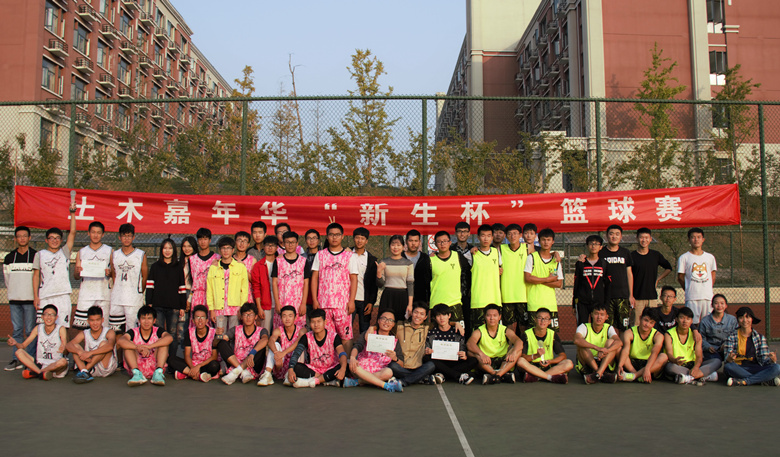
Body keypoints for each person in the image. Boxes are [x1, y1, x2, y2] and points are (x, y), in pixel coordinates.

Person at [310, 223, 358, 354]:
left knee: (345, 336)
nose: (334, 237)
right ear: (327, 236)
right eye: (331, 235)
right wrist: (315, 299)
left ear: (342, 236)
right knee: (327, 337)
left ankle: (346, 363)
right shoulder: (320, 255)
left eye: (337, 235)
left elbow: (354, 279)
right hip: (324, 304)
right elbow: (314, 278)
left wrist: (352, 301)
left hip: (343, 305)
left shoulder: (350, 256)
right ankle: (331, 363)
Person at [33, 203, 77, 328]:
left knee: (63, 328)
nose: (54, 240)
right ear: (46, 240)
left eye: (57, 238)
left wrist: (72, 213)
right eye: (51, 238)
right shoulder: (40, 254)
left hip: (63, 295)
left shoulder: (64, 252)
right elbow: (36, 276)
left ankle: (63, 343)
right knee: (44, 328)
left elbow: (73, 232)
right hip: (45, 296)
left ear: (61, 240)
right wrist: (35, 296)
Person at [344, 310, 405, 392]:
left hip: (380, 370)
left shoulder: (394, 341)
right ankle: (385, 385)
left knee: (389, 372)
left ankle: (357, 382)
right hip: (361, 368)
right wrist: (352, 357)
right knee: (355, 366)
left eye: (390, 320)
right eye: (384, 318)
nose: (386, 322)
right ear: (378, 321)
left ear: (393, 324)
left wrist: (395, 358)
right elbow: (357, 346)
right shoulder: (369, 333)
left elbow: (401, 364)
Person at [4, 226, 38, 370]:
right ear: (15, 239)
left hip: (30, 300)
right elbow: (7, 279)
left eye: (25, 236)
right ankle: (16, 358)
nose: (22, 238)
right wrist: (14, 292)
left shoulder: (36, 256)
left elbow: (38, 278)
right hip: (14, 300)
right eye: (19, 236)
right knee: (17, 330)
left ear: (29, 238)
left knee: (30, 331)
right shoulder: (9, 257)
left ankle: (29, 359)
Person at [287, 308, 348, 388]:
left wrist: (343, 369)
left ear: (325, 322)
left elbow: (342, 353)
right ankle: (326, 380)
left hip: (331, 368)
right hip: (314, 370)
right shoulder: (306, 337)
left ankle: (311, 382)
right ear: (310, 323)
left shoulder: (334, 336)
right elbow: (296, 353)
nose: (316, 325)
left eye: (319, 321)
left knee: (345, 366)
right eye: (313, 322)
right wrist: (290, 369)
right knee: (296, 367)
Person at [6, 304, 68, 380]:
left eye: (52, 315)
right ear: (42, 316)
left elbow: (64, 342)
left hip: (55, 364)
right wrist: (16, 343)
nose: (49, 317)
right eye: (46, 314)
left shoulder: (60, 329)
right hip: (39, 363)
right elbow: (22, 346)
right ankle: (40, 373)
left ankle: (36, 373)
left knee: (63, 362)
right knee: (19, 352)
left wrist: (63, 346)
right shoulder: (38, 328)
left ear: (56, 317)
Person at [146, 238, 187, 354]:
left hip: (174, 306)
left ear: (174, 250)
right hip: (157, 305)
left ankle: (171, 359)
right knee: (159, 332)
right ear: (161, 250)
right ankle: (159, 358)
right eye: (165, 248)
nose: (167, 251)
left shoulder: (178, 267)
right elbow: (150, 286)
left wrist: (182, 306)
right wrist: (149, 303)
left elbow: (182, 288)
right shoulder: (155, 266)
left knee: (172, 333)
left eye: (170, 248)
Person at [722, 307, 780, 386]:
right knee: (728, 367)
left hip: (756, 367)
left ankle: (745, 381)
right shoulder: (731, 336)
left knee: (776, 367)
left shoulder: (759, 337)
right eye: (741, 317)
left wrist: (772, 360)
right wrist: (730, 358)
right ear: (738, 320)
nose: (744, 320)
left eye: (747, 317)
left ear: (752, 319)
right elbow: (727, 360)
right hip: (738, 368)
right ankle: (763, 380)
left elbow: (764, 361)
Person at [467, 304, 523, 384]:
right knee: (470, 353)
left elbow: (519, 341)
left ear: (499, 317)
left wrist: (513, 352)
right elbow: (470, 343)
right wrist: (481, 354)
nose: (492, 318)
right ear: (485, 316)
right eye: (489, 315)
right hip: (486, 361)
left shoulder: (504, 330)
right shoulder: (479, 331)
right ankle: (497, 374)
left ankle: (497, 376)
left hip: (503, 361)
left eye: (495, 315)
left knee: (518, 351)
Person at [117, 305, 173, 386]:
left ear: (154, 320)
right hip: (137, 365)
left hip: (154, 365)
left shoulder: (158, 331)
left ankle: (158, 373)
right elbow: (121, 341)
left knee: (163, 343)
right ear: (139, 320)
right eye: (143, 318)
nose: (146, 322)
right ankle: (137, 374)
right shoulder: (133, 332)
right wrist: (138, 347)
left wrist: (150, 346)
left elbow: (169, 338)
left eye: (149, 318)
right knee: (128, 346)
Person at [216, 302, 270, 385]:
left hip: (253, 364)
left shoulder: (261, 330)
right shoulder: (236, 329)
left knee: (261, 344)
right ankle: (243, 371)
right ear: (241, 317)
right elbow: (221, 340)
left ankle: (236, 372)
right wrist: (217, 335)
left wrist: (252, 353)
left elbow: (265, 340)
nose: (248, 317)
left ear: (255, 316)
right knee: (222, 342)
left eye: (251, 315)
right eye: (245, 315)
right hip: (236, 362)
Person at [663, 306, 720, 384]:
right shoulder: (669, 334)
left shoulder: (696, 335)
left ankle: (688, 377)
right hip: (677, 365)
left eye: (688, 319)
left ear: (691, 321)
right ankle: (702, 376)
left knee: (717, 361)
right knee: (669, 367)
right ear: (676, 319)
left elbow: (699, 356)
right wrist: (674, 360)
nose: (685, 321)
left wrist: (696, 367)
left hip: (692, 364)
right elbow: (669, 354)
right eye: (682, 318)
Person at [425, 304, 478, 385]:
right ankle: (458, 376)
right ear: (435, 318)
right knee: (426, 359)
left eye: (444, 315)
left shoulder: (457, 331)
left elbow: (462, 347)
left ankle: (442, 375)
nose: (441, 318)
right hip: (439, 362)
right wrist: (428, 350)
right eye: (438, 315)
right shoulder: (431, 333)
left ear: (449, 316)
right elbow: (427, 347)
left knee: (474, 360)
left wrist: (464, 354)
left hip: (454, 361)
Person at [206, 236, 249, 337]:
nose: (226, 251)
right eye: (223, 248)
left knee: (234, 335)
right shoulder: (213, 268)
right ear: (219, 250)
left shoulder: (240, 267)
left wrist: (242, 309)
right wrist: (211, 310)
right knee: (220, 335)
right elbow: (210, 290)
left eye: (228, 248)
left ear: (233, 250)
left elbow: (244, 289)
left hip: (235, 308)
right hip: (218, 307)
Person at [73, 221, 112, 329]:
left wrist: (110, 273)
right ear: (88, 233)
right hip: (86, 294)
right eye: (93, 232)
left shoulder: (109, 251)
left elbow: (114, 273)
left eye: (98, 233)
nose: (96, 235)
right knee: (84, 327)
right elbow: (76, 276)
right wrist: (77, 271)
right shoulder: (82, 252)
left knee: (104, 326)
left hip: (103, 294)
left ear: (103, 234)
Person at [109, 223, 148, 332]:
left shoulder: (140, 255)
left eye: (129, 236)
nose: (126, 239)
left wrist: (138, 292)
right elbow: (114, 275)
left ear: (133, 237)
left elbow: (145, 277)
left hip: (133, 300)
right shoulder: (114, 255)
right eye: (124, 236)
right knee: (116, 330)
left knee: (133, 331)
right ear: (119, 237)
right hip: (117, 298)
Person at [518, 307, 572, 384]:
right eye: (540, 318)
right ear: (535, 319)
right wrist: (536, 356)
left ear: (549, 322)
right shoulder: (526, 334)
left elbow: (563, 356)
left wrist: (550, 361)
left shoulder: (552, 334)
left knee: (568, 363)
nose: (543, 321)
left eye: (546, 319)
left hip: (548, 365)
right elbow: (523, 357)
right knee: (520, 361)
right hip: (532, 365)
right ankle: (550, 377)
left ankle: (537, 377)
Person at [630, 228, 672, 325]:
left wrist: (658, 279)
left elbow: (668, 268)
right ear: (637, 238)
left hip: (652, 297)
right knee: (637, 324)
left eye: (646, 238)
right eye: (641, 237)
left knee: (652, 323)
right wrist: (631, 296)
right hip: (637, 297)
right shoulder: (631, 256)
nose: (644, 240)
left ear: (650, 239)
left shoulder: (655, 255)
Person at [66, 305, 118, 383]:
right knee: (75, 346)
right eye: (92, 320)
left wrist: (90, 353)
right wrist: (79, 352)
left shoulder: (109, 332)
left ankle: (85, 370)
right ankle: (84, 371)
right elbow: (68, 345)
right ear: (88, 321)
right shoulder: (85, 333)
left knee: (104, 344)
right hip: (91, 366)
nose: (95, 323)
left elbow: (110, 346)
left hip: (105, 368)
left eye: (97, 320)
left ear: (102, 320)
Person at [429, 231, 470, 328]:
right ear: (435, 244)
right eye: (439, 242)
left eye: (445, 241)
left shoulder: (458, 257)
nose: (442, 244)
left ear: (450, 242)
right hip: (436, 304)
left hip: (455, 303)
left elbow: (469, 272)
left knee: (458, 333)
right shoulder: (430, 260)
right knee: (437, 335)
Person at [524, 228, 563, 331]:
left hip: (550, 304)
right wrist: (548, 279)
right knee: (532, 334)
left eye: (548, 240)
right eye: (543, 240)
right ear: (539, 240)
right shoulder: (531, 257)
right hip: (534, 303)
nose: (546, 242)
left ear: (553, 241)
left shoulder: (556, 260)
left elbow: (559, 283)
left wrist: (537, 280)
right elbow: (528, 278)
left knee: (551, 334)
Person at [168, 305, 219, 383]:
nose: (200, 320)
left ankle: (186, 373)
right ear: (193, 320)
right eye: (197, 317)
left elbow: (214, 356)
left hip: (206, 363)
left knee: (215, 366)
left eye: (202, 317)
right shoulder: (189, 332)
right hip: (193, 363)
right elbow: (187, 355)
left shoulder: (213, 332)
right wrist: (192, 368)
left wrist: (199, 366)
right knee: (171, 359)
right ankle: (197, 375)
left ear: (206, 320)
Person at [677, 227, 717, 325]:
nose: (696, 240)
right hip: (692, 297)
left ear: (703, 239)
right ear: (689, 240)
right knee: (692, 324)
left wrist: (707, 287)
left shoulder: (710, 257)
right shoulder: (684, 257)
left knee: (708, 324)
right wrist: (688, 288)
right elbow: (680, 277)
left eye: (699, 237)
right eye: (693, 237)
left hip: (707, 297)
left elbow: (713, 275)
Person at [389, 303, 436, 386]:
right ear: (411, 313)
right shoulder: (400, 325)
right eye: (416, 312)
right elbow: (385, 325)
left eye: (422, 314)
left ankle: (403, 381)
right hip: (401, 366)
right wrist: (372, 328)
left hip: (419, 367)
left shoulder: (427, 327)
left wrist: (456, 324)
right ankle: (420, 378)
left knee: (431, 365)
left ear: (425, 317)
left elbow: (443, 323)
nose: (418, 316)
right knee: (392, 366)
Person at [574, 304, 622, 384]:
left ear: (606, 317)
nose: (599, 317)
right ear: (592, 315)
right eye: (596, 314)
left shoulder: (608, 328)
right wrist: (597, 348)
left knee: (612, 342)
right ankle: (601, 374)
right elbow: (576, 340)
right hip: (588, 362)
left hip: (604, 361)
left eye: (602, 315)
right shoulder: (584, 326)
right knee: (581, 345)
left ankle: (598, 374)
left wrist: (607, 350)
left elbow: (619, 342)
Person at [616, 308, 668, 383]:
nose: (647, 324)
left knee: (664, 356)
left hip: (649, 364)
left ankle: (635, 376)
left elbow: (654, 353)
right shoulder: (629, 332)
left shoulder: (658, 336)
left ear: (654, 324)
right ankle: (636, 375)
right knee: (619, 350)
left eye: (651, 322)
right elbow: (626, 349)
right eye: (646, 320)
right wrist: (620, 365)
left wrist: (647, 369)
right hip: (632, 364)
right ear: (640, 318)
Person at [271, 231, 309, 331]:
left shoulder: (303, 261)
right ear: (283, 243)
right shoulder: (278, 261)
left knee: (299, 331)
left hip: (298, 303)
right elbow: (274, 282)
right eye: (287, 242)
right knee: (281, 331)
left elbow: (306, 283)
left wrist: (303, 303)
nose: (290, 245)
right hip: (282, 301)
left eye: (293, 242)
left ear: (297, 244)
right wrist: (277, 303)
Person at [600, 225, 634, 332]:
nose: (614, 236)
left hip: (622, 296)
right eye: (611, 234)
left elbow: (629, 274)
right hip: (606, 297)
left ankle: (623, 344)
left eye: (617, 234)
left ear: (621, 236)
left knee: (624, 327)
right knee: (606, 327)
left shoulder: (625, 253)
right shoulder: (600, 253)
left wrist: (631, 295)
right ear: (606, 236)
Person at [572, 234, 609, 326]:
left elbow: (608, 285)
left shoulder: (604, 264)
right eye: (591, 244)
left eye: (596, 244)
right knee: (582, 326)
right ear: (587, 246)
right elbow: (576, 284)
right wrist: (574, 303)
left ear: (601, 247)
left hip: (598, 302)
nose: (593, 246)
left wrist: (606, 304)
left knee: (597, 327)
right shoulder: (581, 263)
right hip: (583, 302)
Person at [470, 224, 502, 330]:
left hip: (494, 300)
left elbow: (501, 269)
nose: (486, 238)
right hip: (478, 301)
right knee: (478, 331)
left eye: (488, 236)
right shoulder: (471, 254)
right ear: (478, 237)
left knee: (495, 331)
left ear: (492, 237)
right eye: (483, 235)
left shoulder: (496, 252)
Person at [264, 305, 305, 385]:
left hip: (295, 365)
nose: (287, 319)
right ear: (281, 318)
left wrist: (284, 353)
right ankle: (267, 374)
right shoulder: (278, 330)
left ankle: (291, 375)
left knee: (300, 348)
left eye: (290, 316)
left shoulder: (302, 330)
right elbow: (271, 341)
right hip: (281, 363)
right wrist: (276, 353)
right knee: (275, 344)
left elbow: (298, 342)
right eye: (284, 316)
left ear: (295, 317)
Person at [377, 235, 414, 323]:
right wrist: (378, 271)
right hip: (388, 296)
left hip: (402, 296)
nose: (395, 247)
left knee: (401, 323)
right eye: (393, 244)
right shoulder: (383, 262)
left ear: (403, 247)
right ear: (389, 246)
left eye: (398, 245)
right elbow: (380, 284)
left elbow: (410, 284)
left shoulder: (408, 263)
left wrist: (410, 304)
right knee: (384, 322)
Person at [500, 224, 529, 332]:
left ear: (520, 235)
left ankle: (523, 344)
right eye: (510, 234)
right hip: (507, 295)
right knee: (510, 327)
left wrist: (554, 253)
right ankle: (510, 344)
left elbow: (544, 253)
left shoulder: (527, 248)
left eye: (515, 234)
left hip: (523, 295)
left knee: (523, 326)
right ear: (506, 236)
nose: (512, 236)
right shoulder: (501, 249)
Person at [351, 227, 378, 334]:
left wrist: (371, 302)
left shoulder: (371, 259)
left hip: (364, 300)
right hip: (349, 299)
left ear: (366, 241)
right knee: (346, 329)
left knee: (364, 330)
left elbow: (373, 284)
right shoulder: (346, 254)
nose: (359, 241)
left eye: (362, 238)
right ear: (353, 238)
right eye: (357, 238)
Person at [698, 294, 738, 362]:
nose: (719, 306)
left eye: (722, 303)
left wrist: (726, 345)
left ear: (726, 305)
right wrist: (708, 347)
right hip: (711, 351)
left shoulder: (732, 320)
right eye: (716, 303)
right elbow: (701, 338)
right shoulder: (705, 321)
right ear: (712, 305)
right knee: (715, 362)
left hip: (728, 349)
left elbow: (735, 336)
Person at [188, 227, 218, 312]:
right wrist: (189, 298)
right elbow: (191, 281)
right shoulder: (192, 259)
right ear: (197, 241)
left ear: (210, 240)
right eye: (200, 239)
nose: (203, 242)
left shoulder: (217, 258)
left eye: (205, 239)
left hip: (213, 295)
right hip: (197, 296)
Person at [404, 229, 432, 310]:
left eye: (416, 241)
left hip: (421, 298)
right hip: (403, 297)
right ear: (406, 242)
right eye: (411, 241)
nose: (413, 243)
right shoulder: (400, 257)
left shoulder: (425, 258)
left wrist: (429, 297)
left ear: (420, 242)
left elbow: (428, 279)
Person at [234, 231, 257, 304]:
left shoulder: (252, 260)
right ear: (235, 242)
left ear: (248, 244)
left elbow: (254, 280)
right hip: (232, 296)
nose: (242, 243)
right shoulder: (229, 259)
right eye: (239, 240)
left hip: (247, 296)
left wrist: (243, 269)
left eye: (245, 241)